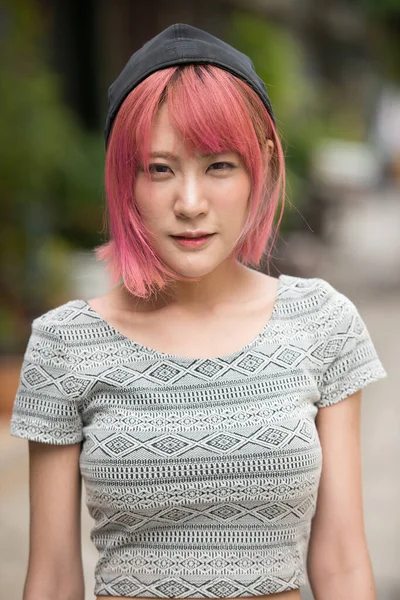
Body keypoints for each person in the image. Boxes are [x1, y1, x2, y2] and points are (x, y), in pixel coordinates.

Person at [10, 23, 387, 600]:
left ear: (260, 167)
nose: (190, 204)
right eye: (160, 169)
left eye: (219, 166)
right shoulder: (65, 346)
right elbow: (55, 578)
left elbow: (340, 561)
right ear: (125, 177)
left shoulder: (322, 325)